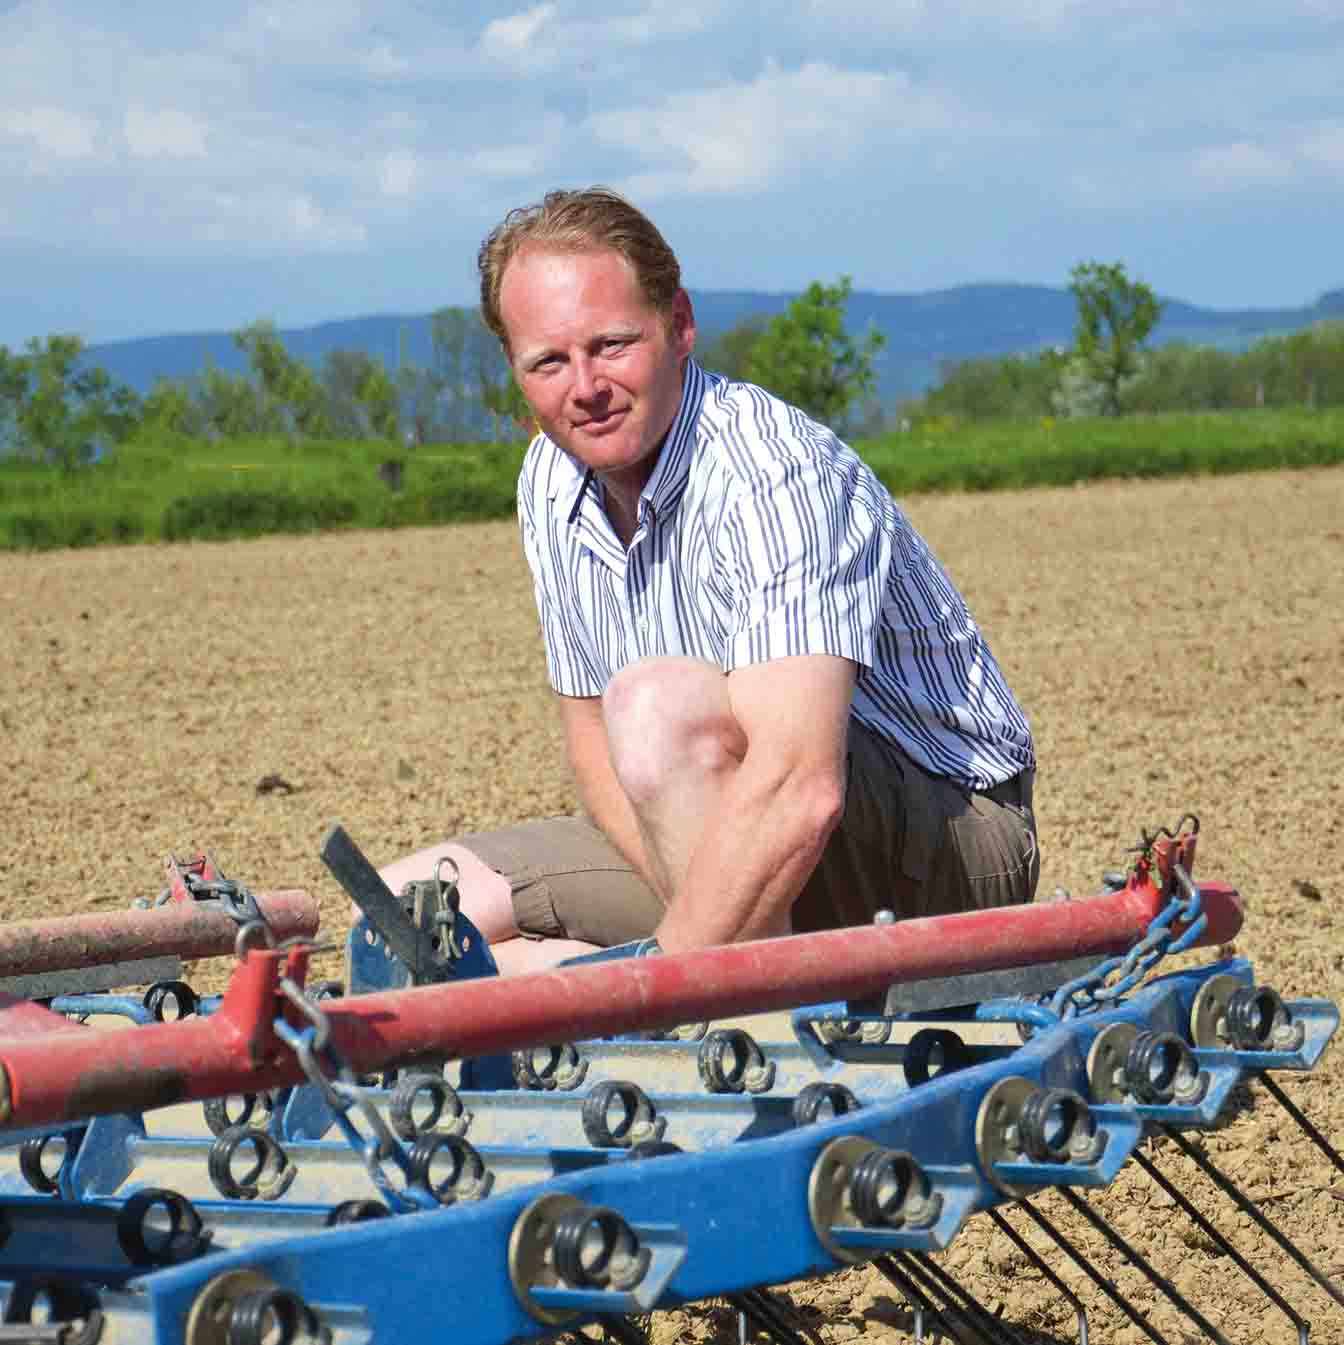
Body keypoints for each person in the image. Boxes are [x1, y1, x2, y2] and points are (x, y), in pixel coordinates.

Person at [376, 187, 1039, 973]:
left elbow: (801, 786)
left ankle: (753, 1037)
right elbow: (590, 740)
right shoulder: (549, 480)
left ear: (680, 325)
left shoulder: (769, 469)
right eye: (549, 361)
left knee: (657, 707)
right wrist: (692, 916)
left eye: (613, 344)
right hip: (720, 822)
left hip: (944, 844)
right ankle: (685, 983)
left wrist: (665, 979)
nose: (584, 386)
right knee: (400, 916)